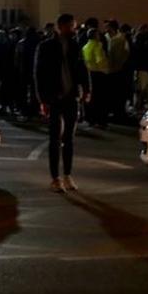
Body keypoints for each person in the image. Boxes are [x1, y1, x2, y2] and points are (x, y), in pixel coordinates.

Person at [36, 13, 91, 193]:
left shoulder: (75, 46)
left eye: (74, 26)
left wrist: (87, 89)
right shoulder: (46, 47)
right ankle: (55, 178)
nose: (73, 30)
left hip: (71, 96)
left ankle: (67, 175)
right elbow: (39, 74)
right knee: (54, 138)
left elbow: (82, 68)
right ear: (60, 27)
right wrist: (42, 99)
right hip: (54, 97)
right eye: (70, 26)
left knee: (69, 138)